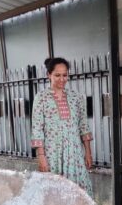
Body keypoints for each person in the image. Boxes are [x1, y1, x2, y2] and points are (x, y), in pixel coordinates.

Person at [31, 57, 94, 196]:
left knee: (79, 193)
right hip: (52, 154)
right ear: (49, 75)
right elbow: (37, 129)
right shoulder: (41, 98)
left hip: (74, 154)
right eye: (57, 75)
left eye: (65, 75)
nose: (62, 79)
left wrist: (88, 152)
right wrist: (41, 157)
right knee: (55, 195)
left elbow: (83, 126)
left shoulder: (76, 98)